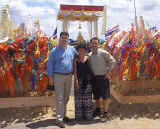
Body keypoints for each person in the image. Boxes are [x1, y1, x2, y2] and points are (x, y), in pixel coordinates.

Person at [47, 32, 77, 128]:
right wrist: (50, 78)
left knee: (66, 97)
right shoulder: (54, 51)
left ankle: (63, 115)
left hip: (69, 76)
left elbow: (79, 56)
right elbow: (50, 65)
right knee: (59, 98)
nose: (64, 40)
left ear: (68, 39)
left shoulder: (72, 49)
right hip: (58, 76)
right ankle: (59, 119)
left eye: (66, 38)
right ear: (59, 39)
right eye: (63, 38)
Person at [89, 37, 116, 122]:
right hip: (94, 78)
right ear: (90, 44)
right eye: (93, 43)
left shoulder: (103, 53)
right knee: (96, 96)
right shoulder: (89, 55)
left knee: (105, 96)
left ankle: (105, 112)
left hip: (104, 77)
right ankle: (97, 110)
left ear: (98, 44)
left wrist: (108, 72)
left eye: (96, 43)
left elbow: (113, 61)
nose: (94, 45)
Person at [74, 43, 94, 123]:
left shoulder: (88, 58)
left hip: (87, 81)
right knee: (79, 100)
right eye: (79, 50)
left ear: (85, 50)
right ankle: (79, 117)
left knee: (87, 99)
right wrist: (76, 81)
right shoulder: (76, 59)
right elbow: (75, 72)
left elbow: (91, 69)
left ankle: (88, 116)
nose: (81, 51)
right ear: (78, 51)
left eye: (83, 50)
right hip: (79, 80)